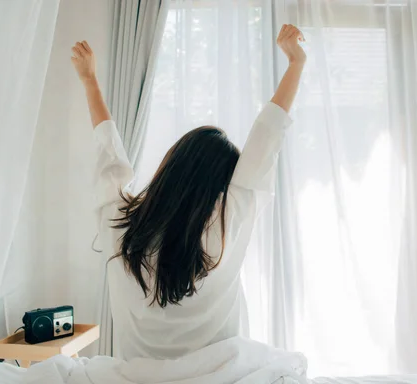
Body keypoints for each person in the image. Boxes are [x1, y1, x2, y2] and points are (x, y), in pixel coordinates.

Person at [71, 24, 306, 360]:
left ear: (171, 166)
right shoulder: (226, 222)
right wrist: (296, 64)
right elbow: (266, 139)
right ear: (221, 185)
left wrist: (90, 81)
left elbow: (109, 157)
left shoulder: (120, 226)